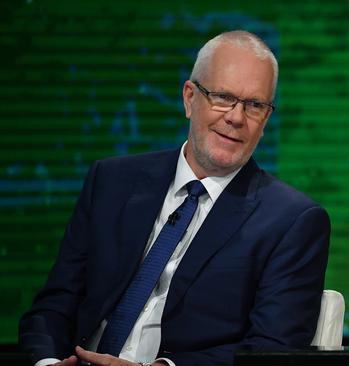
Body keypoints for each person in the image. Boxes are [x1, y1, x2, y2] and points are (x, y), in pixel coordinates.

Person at [19, 30, 331, 366]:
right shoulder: (111, 182)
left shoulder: (293, 221)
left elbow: (271, 350)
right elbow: (54, 306)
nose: (236, 118)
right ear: (189, 98)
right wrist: (49, 363)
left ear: (266, 118)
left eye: (254, 105)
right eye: (223, 97)